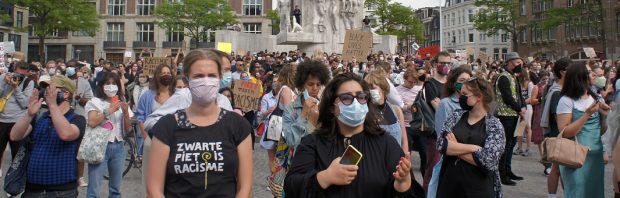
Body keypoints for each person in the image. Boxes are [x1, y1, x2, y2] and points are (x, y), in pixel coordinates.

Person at [284, 72, 412, 197]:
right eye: (346, 98)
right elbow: (292, 186)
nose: (355, 104)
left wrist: (403, 184)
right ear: (332, 107)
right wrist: (324, 178)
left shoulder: (386, 143)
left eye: (361, 97)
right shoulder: (312, 143)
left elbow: (405, 191)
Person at [146, 49, 253, 197]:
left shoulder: (238, 126)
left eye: (212, 75)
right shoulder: (166, 126)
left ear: (220, 78)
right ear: (187, 80)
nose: (206, 81)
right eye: (198, 76)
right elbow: (153, 190)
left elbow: (245, 188)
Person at [10, 76, 86, 197]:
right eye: (45, 88)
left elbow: (66, 134)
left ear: (65, 94)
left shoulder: (77, 119)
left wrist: (53, 106)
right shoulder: (41, 117)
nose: (46, 92)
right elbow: (15, 136)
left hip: (61, 191)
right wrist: (29, 115)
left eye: (50, 88)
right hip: (32, 190)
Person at [436, 77, 505, 198]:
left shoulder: (494, 125)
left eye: (464, 94)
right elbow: (441, 144)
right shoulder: (455, 116)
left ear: (479, 97)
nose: (460, 97)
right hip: (449, 186)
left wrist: (455, 147)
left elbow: (489, 161)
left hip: (479, 190)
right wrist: (474, 148)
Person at [143, 50, 234, 132]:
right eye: (225, 70)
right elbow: (149, 123)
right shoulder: (183, 96)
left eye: (228, 70)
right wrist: (179, 126)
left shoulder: (224, 100)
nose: (227, 74)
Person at [555, 63, 606, 198]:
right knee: (577, 192)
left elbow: (601, 130)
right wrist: (587, 115)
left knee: (595, 192)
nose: (594, 74)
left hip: (595, 155)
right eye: (589, 72)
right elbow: (565, 132)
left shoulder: (596, 97)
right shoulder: (566, 100)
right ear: (580, 77)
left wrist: (606, 115)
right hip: (575, 156)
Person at [85, 72, 133, 198]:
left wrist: (126, 114)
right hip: (100, 146)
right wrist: (110, 110)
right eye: (108, 84)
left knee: (115, 189)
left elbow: (127, 129)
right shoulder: (95, 102)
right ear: (101, 86)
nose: (111, 87)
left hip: (118, 146)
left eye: (114, 84)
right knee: (94, 190)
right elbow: (92, 122)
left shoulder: (120, 101)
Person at [540, 58, 570, 197]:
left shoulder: (558, 89)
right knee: (559, 169)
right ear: (563, 72)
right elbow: (558, 118)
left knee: (558, 169)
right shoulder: (557, 92)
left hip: (558, 134)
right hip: (557, 134)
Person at [495, 52, 526, 185]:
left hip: (513, 115)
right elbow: (507, 97)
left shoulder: (513, 77)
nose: (520, 65)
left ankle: (508, 170)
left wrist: (523, 106)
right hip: (505, 116)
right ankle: (502, 174)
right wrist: (520, 109)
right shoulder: (503, 77)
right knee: (506, 145)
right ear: (509, 62)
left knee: (511, 144)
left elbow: (519, 94)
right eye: (518, 62)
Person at [0, 61, 35, 177]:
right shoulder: (4, 77)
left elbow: (25, 103)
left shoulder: (28, 82)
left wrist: (16, 88)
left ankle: (13, 178)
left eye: (22, 75)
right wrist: (4, 83)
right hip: (2, 119)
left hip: (18, 121)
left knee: (17, 153)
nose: (18, 77)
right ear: (14, 69)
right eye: (17, 74)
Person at [422, 51, 450, 190]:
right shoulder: (430, 84)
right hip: (436, 133)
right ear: (435, 64)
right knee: (432, 168)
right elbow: (439, 109)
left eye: (448, 63)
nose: (445, 66)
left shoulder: (451, 84)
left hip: (451, 133)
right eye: (442, 63)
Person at [364, 69, 409, 151]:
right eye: (367, 88)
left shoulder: (396, 110)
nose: (369, 91)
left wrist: (405, 158)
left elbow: (404, 141)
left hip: (395, 161)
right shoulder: (364, 112)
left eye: (372, 87)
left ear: (383, 88)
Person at [66, 60, 94, 187]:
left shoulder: (84, 82)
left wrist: (80, 98)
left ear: (77, 69)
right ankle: (65, 173)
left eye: (72, 67)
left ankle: (80, 177)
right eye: (68, 67)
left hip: (79, 117)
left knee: (79, 149)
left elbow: (89, 100)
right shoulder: (62, 80)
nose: (69, 69)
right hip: (64, 116)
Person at [396, 67, 426, 177]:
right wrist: (406, 107)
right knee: (406, 154)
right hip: (406, 126)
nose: (412, 84)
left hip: (419, 125)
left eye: (414, 82)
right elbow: (396, 107)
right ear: (404, 79)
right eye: (410, 82)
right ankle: (409, 179)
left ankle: (425, 180)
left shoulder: (419, 89)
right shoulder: (397, 90)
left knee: (425, 153)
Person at [515, 66, 536, 156]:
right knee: (519, 128)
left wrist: (521, 103)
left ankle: (528, 148)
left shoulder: (530, 84)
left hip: (527, 107)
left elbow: (531, 98)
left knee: (527, 127)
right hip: (519, 107)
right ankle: (519, 148)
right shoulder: (517, 83)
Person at [530, 71, 549, 161]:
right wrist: (540, 99)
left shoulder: (550, 87)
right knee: (539, 133)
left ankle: (547, 156)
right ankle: (542, 156)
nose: (545, 81)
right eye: (543, 79)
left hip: (547, 110)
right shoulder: (536, 87)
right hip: (539, 110)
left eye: (547, 78)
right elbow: (532, 100)